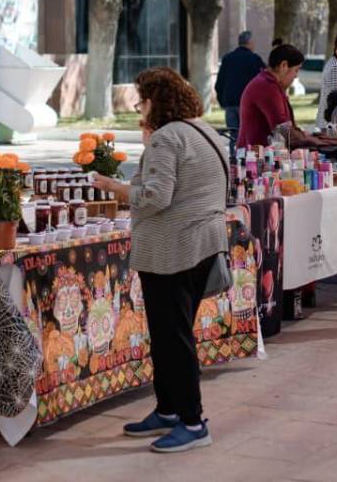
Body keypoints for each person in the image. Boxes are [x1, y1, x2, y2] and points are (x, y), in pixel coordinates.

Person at [92, 67, 227, 453]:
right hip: (201, 243)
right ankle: (168, 409)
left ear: (155, 102)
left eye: (142, 100)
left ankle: (192, 421)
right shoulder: (203, 131)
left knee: (173, 339)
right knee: (170, 334)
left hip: (173, 250)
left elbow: (156, 196)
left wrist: (118, 188)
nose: (140, 107)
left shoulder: (167, 138)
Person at [236, 44, 337, 151]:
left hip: (259, 154)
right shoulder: (266, 86)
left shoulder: (268, 83)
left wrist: (313, 137)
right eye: (296, 70)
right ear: (284, 65)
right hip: (253, 158)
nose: (296, 76)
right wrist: (322, 142)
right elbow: (285, 130)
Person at [214, 31, 265, 152]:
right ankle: (248, 164)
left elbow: (219, 84)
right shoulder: (254, 59)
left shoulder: (227, 59)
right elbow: (263, 83)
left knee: (234, 136)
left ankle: (234, 162)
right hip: (248, 105)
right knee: (249, 136)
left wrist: (223, 102)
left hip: (230, 103)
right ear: (250, 43)